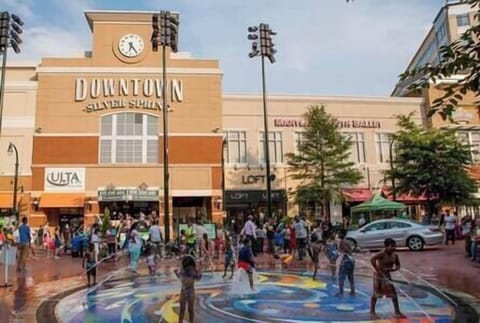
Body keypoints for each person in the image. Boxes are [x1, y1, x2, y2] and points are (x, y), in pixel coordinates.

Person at [370, 238, 406, 319]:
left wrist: (393, 269)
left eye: (394, 246)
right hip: (378, 275)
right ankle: (372, 312)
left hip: (387, 275)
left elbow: (398, 265)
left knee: (393, 292)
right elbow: (372, 259)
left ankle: (397, 312)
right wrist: (377, 269)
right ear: (386, 246)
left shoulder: (395, 255)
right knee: (376, 293)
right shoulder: (382, 253)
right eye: (392, 246)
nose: (394, 248)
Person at [174, 256, 202, 323]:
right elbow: (198, 278)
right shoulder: (190, 271)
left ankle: (182, 321)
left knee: (185, 309)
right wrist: (199, 272)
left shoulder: (185, 271)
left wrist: (176, 273)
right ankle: (185, 321)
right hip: (189, 292)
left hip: (185, 291)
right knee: (188, 309)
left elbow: (197, 278)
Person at [337, 230, 355, 297]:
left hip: (346, 260)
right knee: (350, 277)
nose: (338, 235)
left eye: (339, 233)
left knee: (341, 276)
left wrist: (339, 252)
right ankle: (352, 291)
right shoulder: (347, 241)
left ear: (342, 234)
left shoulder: (343, 242)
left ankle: (341, 292)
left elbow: (345, 250)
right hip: (351, 260)